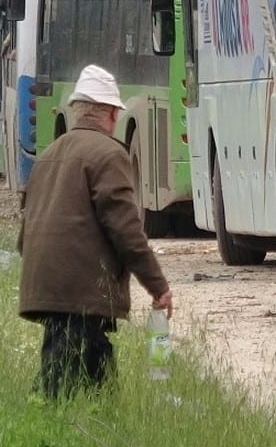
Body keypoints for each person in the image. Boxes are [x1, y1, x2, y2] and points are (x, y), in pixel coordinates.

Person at [18, 64, 173, 399]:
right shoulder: (109, 154)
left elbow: (24, 232)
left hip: (46, 286)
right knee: (75, 384)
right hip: (82, 293)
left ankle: (72, 429)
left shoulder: (47, 156)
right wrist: (158, 286)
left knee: (72, 375)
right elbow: (126, 230)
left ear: (77, 111)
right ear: (112, 114)